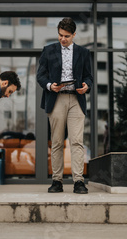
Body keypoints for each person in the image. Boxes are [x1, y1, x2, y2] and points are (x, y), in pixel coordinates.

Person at [37, 17, 93, 194]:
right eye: (60, 35)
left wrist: (87, 86)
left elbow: (89, 76)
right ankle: (57, 181)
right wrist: (49, 86)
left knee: (77, 141)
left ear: (74, 35)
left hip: (76, 99)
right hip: (57, 98)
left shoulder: (83, 53)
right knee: (57, 142)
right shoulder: (48, 50)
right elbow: (41, 75)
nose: (63, 39)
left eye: (67, 36)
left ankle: (78, 181)